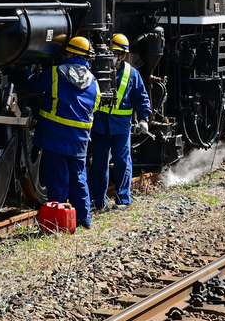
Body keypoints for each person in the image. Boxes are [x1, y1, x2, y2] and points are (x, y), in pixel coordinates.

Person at [29, 36, 101, 229]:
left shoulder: (54, 73)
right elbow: (94, 108)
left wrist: (24, 72)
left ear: (68, 53)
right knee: (79, 178)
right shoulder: (94, 82)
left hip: (55, 136)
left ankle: (58, 221)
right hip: (79, 141)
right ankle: (84, 220)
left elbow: (32, 86)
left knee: (58, 178)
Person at [89, 33, 151, 212]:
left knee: (122, 162)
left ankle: (123, 199)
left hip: (121, 127)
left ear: (123, 55)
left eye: (117, 53)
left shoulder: (132, 74)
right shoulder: (98, 70)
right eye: (112, 52)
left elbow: (142, 98)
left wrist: (144, 119)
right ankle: (98, 202)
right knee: (99, 164)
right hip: (101, 125)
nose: (114, 56)